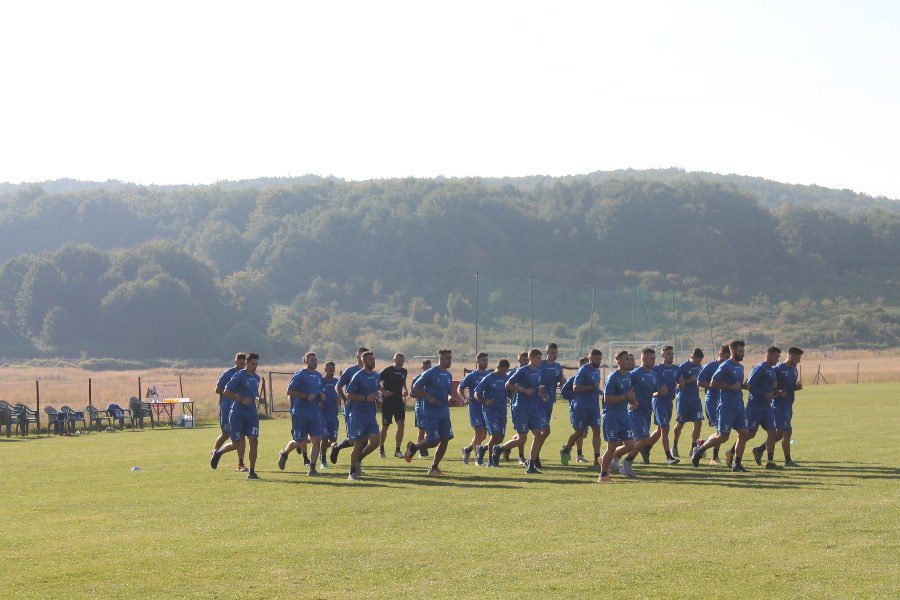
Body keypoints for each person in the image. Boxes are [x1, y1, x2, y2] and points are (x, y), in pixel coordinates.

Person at [691, 340, 751, 472]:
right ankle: (699, 450)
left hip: (739, 405)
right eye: (740, 351)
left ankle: (737, 464)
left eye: (743, 351)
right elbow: (713, 383)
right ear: (733, 351)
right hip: (726, 406)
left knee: (744, 433)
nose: (743, 354)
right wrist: (731, 387)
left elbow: (738, 385)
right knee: (723, 437)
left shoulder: (740, 367)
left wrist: (744, 386)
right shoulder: (725, 366)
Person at [612, 347, 668, 478]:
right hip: (635, 410)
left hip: (647, 411)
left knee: (636, 441)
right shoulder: (635, 374)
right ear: (643, 359)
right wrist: (629, 402)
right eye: (651, 358)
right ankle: (626, 462)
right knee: (644, 439)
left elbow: (652, 392)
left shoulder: (654, 374)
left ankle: (613, 459)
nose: (653, 361)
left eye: (654, 358)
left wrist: (659, 393)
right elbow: (625, 389)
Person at [492, 348, 549, 474]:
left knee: (538, 435)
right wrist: (523, 390)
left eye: (541, 358)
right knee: (522, 439)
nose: (541, 360)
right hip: (521, 408)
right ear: (531, 358)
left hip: (534, 408)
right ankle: (499, 449)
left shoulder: (539, 371)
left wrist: (542, 393)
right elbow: (508, 384)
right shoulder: (522, 371)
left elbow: (536, 387)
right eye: (539, 358)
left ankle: (531, 465)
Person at [211, 352, 261, 480]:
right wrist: (240, 399)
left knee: (254, 441)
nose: (255, 366)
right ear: (247, 363)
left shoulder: (257, 378)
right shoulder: (238, 376)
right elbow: (226, 391)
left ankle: (252, 472)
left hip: (251, 415)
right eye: (252, 364)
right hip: (237, 414)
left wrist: (259, 399)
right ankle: (218, 452)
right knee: (237, 443)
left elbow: (253, 393)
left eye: (256, 364)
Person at [404, 349, 454, 475]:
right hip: (430, 412)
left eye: (450, 358)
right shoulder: (430, 373)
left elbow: (447, 392)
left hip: (444, 411)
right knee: (434, 441)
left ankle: (434, 467)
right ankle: (413, 447)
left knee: (445, 439)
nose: (450, 360)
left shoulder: (448, 375)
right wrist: (429, 397)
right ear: (441, 359)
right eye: (447, 358)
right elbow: (416, 387)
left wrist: (450, 398)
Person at [277, 352, 324, 476]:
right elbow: (289, 391)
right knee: (299, 442)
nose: (314, 362)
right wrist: (305, 396)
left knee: (317, 440)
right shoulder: (300, 374)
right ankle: (284, 453)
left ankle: (312, 468)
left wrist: (321, 396)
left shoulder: (319, 376)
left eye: (316, 360)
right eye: (312, 360)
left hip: (314, 414)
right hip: (300, 414)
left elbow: (319, 391)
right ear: (305, 361)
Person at [598, 350, 636, 483]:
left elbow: (628, 394)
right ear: (618, 361)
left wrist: (632, 401)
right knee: (612, 445)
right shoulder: (613, 377)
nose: (629, 361)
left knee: (631, 444)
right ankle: (603, 476)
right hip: (611, 415)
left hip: (624, 415)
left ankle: (605, 459)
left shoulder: (628, 376)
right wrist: (626, 397)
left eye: (629, 359)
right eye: (626, 359)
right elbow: (607, 398)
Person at [561, 350, 603, 467]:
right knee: (580, 432)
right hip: (581, 406)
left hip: (594, 406)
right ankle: (566, 449)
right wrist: (591, 387)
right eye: (596, 359)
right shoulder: (584, 370)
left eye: (599, 359)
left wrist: (602, 392)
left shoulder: (597, 371)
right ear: (590, 358)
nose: (598, 362)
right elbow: (575, 388)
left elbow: (595, 388)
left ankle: (597, 458)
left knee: (597, 430)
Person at [345, 351, 382, 480]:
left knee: (376, 441)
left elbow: (375, 390)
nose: (373, 361)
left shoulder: (376, 376)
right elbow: (349, 394)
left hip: (370, 415)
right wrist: (366, 398)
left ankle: (359, 458)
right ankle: (352, 472)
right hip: (358, 415)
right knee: (359, 444)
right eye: (370, 359)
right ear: (364, 361)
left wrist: (377, 400)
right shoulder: (358, 376)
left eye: (374, 358)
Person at [329, 347, 368, 464]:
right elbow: (338, 386)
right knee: (355, 439)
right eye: (361, 355)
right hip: (352, 410)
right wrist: (345, 399)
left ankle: (354, 461)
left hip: (367, 410)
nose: (363, 357)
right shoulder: (350, 371)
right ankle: (339, 450)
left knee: (365, 439)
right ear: (357, 356)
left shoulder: (369, 371)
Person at [767, 346, 804, 467]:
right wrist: (778, 392)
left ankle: (760, 449)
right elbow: (770, 386)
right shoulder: (777, 369)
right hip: (779, 405)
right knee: (787, 432)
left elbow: (790, 387)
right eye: (797, 357)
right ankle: (788, 461)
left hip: (788, 405)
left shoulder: (794, 369)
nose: (799, 360)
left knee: (780, 433)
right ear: (790, 355)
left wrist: (796, 387)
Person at [746, 346, 782, 470]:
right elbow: (749, 385)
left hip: (767, 407)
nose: (777, 360)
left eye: (778, 357)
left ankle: (770, 462)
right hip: (755, 406)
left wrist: (777, 391)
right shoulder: (760, 368)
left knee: (773, 433)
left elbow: (771, 387)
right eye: (775, 357)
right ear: (767, 355)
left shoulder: (771, 370)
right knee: (749, 434)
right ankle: (732, 452)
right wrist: (763, 394)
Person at [212, 352, 247, 471]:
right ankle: (215, 453)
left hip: (240, 411)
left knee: (240, 437)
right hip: (227, 409)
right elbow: (218, 389)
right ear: (235, 361)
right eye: (240, 362)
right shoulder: (228, 374)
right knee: (225, 435)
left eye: (244, 362)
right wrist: (232, 394)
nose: (242, 364)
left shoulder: (247, 375)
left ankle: (240, 464)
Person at [696, 345, 730, 465]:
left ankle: (702, 443)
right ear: (720, 355)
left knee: (722, 431)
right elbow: (699, 381)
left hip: (724, 401)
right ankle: (714, 457)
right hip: (712, 401)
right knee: (720, 431)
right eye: (726, 356)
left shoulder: (728, 367)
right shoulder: (711, 366)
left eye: (729, 357)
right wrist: (711, 385)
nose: (728, 359)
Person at [473, 359, 511, 467]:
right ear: (498, 367)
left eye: (506, 371)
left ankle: (482, 449)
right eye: (503, 370)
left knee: (500, 438)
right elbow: (477, 393)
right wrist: (485, 401)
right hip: (490, 412)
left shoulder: (506, 378)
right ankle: (491, 461)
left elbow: (510, 391)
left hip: (502, 411)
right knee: (495, 435)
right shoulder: (488, 378)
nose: (505, 373)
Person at [649, 345, 681, 465]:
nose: (671, 356)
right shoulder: (656, 369)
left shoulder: (676, 369)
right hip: (659, 402)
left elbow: (679, 383)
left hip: (669, 402)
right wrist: (658, 392)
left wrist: (681, 385)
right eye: (669, 354)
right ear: (662, 355)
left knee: (659, 430)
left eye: (672, 354)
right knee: (665, 428)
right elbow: (650, 385)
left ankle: (646, 448)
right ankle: (669, 457)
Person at [457, 352, 490, 465]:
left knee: (483, 435)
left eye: (486, 360)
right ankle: (478, 459)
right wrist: (465, 398)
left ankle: (467, 450)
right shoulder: (471, 376)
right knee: (478, 432)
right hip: (475, 408)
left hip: (486, 408)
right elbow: (459, 388)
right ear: (477, 362)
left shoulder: (489, 375)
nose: (485, 362)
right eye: (483, 360)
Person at [672, 348, 705, 458]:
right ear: (692, 357)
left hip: (695, 399)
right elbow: (678, 385)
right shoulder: (683, 367)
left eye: (700, 361)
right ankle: (675, 446)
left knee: (699, 422)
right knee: (680, 424)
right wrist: (690, 380)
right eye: (697, 361)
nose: (698, 363)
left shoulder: (699, 367)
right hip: (683, 399)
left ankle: (693, 448)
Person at [538, 342, 565, 466]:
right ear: (547, 353)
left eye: (556, 353)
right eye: (552, 352)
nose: (554, 355)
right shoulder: (540, 365)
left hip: (550, 402)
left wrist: (561, 382)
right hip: (539, 402)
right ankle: (533, 457)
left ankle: (533, 455)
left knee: (543, 431)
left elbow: (558, 382)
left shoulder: (558, 366)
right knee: (544, 430)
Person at [559, 356, 590, 463]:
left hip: (587, 409)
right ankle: (579, 455)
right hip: (576, 409)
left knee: (584, 434)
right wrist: (574, 398)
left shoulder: (589, 379)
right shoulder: (574, 379)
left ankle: (567, 446)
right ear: (580, 366)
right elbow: (564, 392)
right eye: (584, 365)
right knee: (580, 432)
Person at [379, 353, 409, 458]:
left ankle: (397, 450)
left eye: (402, 361)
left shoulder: (404, 371)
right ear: (394, 360)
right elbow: (376, 382)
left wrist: (405, 390)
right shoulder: (387, 371)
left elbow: (403, 381)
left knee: (401, 424)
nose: (401, 362)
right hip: (387, 403)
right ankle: (381, 448)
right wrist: (384, 392)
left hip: (399, 402)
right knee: (385, 426)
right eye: (399, 360)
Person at [503, 351, 530, 464]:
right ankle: (521, 457)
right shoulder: (513, 373)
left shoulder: (531, 371)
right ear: (518, 359)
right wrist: (513, 397)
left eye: (526, 359)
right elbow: (507, 387)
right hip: (518, 406)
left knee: (523, 433)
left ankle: (506, 448)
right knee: (522, 433)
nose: (525, 361)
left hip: (530, 406)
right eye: (523, 359)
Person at [318, 361, 340, 470]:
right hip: (322, 414)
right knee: (325, 438)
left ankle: (320, 452)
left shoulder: (336, 382)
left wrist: (338, 401)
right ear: (325, 370)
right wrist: (319, 402)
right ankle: (323, 461)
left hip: (333, 414)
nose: (332, 372)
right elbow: (316, 394)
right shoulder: (320, 381)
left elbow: (338, 395)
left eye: (333, 370)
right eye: (330, 370)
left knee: (333, 440)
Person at [410, 359, 432, 458]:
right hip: (420, 408)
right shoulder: (417, 378)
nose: (428, 368)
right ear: (422, 367)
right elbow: (412, 393)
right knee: (422, 429)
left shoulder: (433, 378)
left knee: (431, 429)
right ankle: (421, 450)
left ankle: (424, 446)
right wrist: (419, 395)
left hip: (431, 407)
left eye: (429, 367)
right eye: (426, 367)